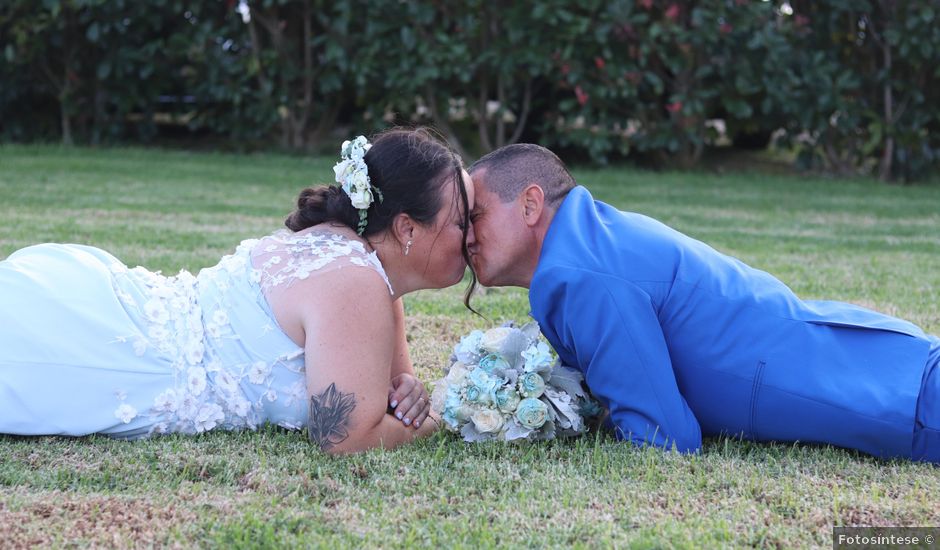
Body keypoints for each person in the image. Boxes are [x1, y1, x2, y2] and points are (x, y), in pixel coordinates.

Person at [0, 128, 476, 455]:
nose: (472, 236)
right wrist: (435, 419)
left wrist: (409, 396)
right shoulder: (356, 282)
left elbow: (393, 394)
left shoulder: (348, 255)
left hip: (106, 304)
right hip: (106, 353)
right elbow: (346, 439)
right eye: (462, 221)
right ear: (407, 228)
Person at [466, 143, 940, 463]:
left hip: (896, 398)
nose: (465, 236)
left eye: (476, 216)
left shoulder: (580, 270)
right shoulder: (590, 242)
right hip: (885, 365)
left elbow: (664, 437)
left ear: (530, 205)